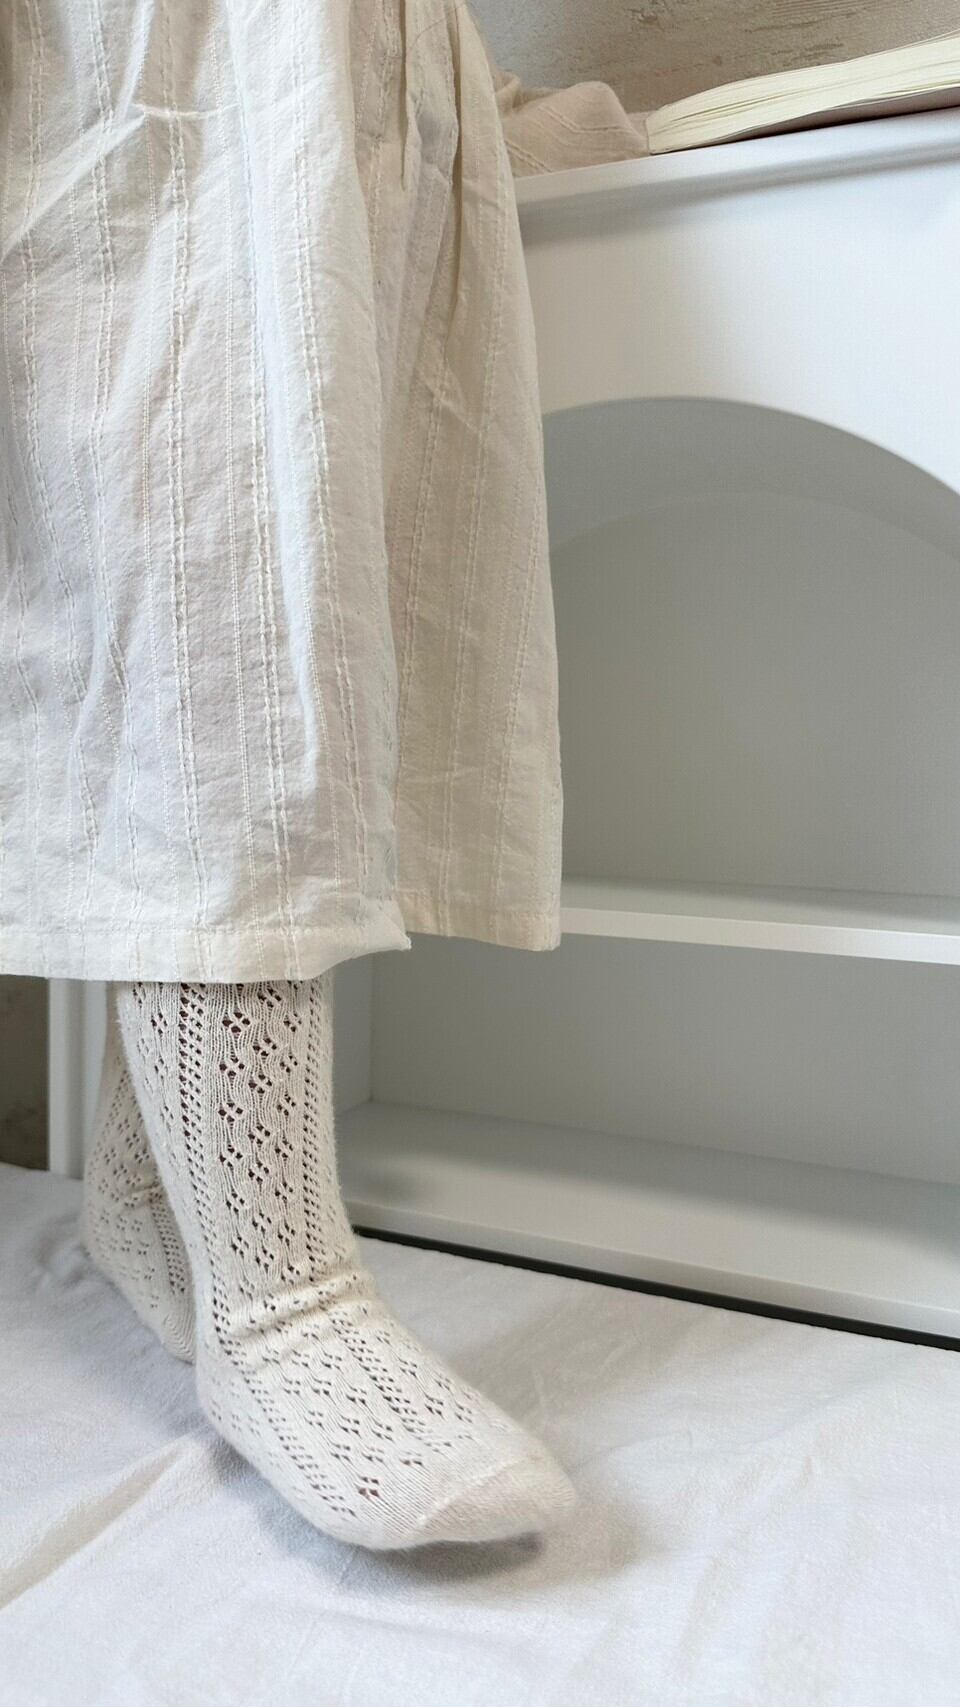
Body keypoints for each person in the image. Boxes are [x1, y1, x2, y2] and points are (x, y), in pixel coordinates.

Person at [1, 0, 644, 1551]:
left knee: (319, 662)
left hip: (346, 110)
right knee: (213, 662)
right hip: (156, 87)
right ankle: (275, 1295)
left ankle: (155, 1199)